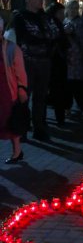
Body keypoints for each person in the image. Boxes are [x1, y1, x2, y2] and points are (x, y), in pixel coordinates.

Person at [11, 0, 59, 141]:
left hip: (44, 61)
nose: (41, 1)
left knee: (41, 97)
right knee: (25, 96)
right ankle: (22, 129)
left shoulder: (44, 16)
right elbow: (26, 38)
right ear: (29, 0)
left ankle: (39, 128)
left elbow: (55, 33)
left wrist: (43, 38)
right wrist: (44, 38)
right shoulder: (20, 16)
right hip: (28, 61)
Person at [0, 16, 29, 163]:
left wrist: (22, 89)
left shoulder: (11, 48)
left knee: (11, 123)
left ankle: (17, 152)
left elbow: (20, 72)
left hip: (7, 91)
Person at [63, 0, 83, 117]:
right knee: (67, 85)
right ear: (67, 9)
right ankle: (67, 107)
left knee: (80, 85)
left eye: (75, 8)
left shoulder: (81, 22)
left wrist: (72, 34)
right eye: (71, 8)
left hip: (78, 58)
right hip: (67, 57)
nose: (73, 10)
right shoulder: (65, 21)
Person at [46, 2, 69, 127]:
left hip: (53, 62)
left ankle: (48, 118)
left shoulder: (53, 24)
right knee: (58, 90)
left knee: (53, 91)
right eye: (61, 13)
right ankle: (60, 119)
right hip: (56, 63)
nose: (63, 15)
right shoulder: (54, 25)